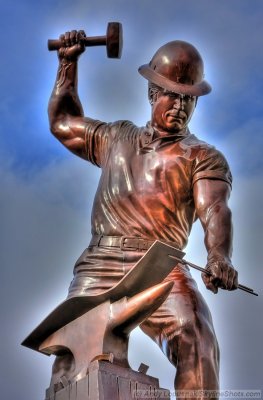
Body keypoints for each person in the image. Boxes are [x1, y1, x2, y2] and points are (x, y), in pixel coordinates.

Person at [48, 31, 238, 395]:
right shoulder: (116, 138)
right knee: (68, 360)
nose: (180, 106)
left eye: (188, 99)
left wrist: (219, 255)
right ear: (152, 93)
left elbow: (214, 208)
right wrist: (67, 63)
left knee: (196, 337)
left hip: (159, 264)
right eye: (172, 95)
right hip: (99, 261)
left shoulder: (202, 156)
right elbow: (63, 122)